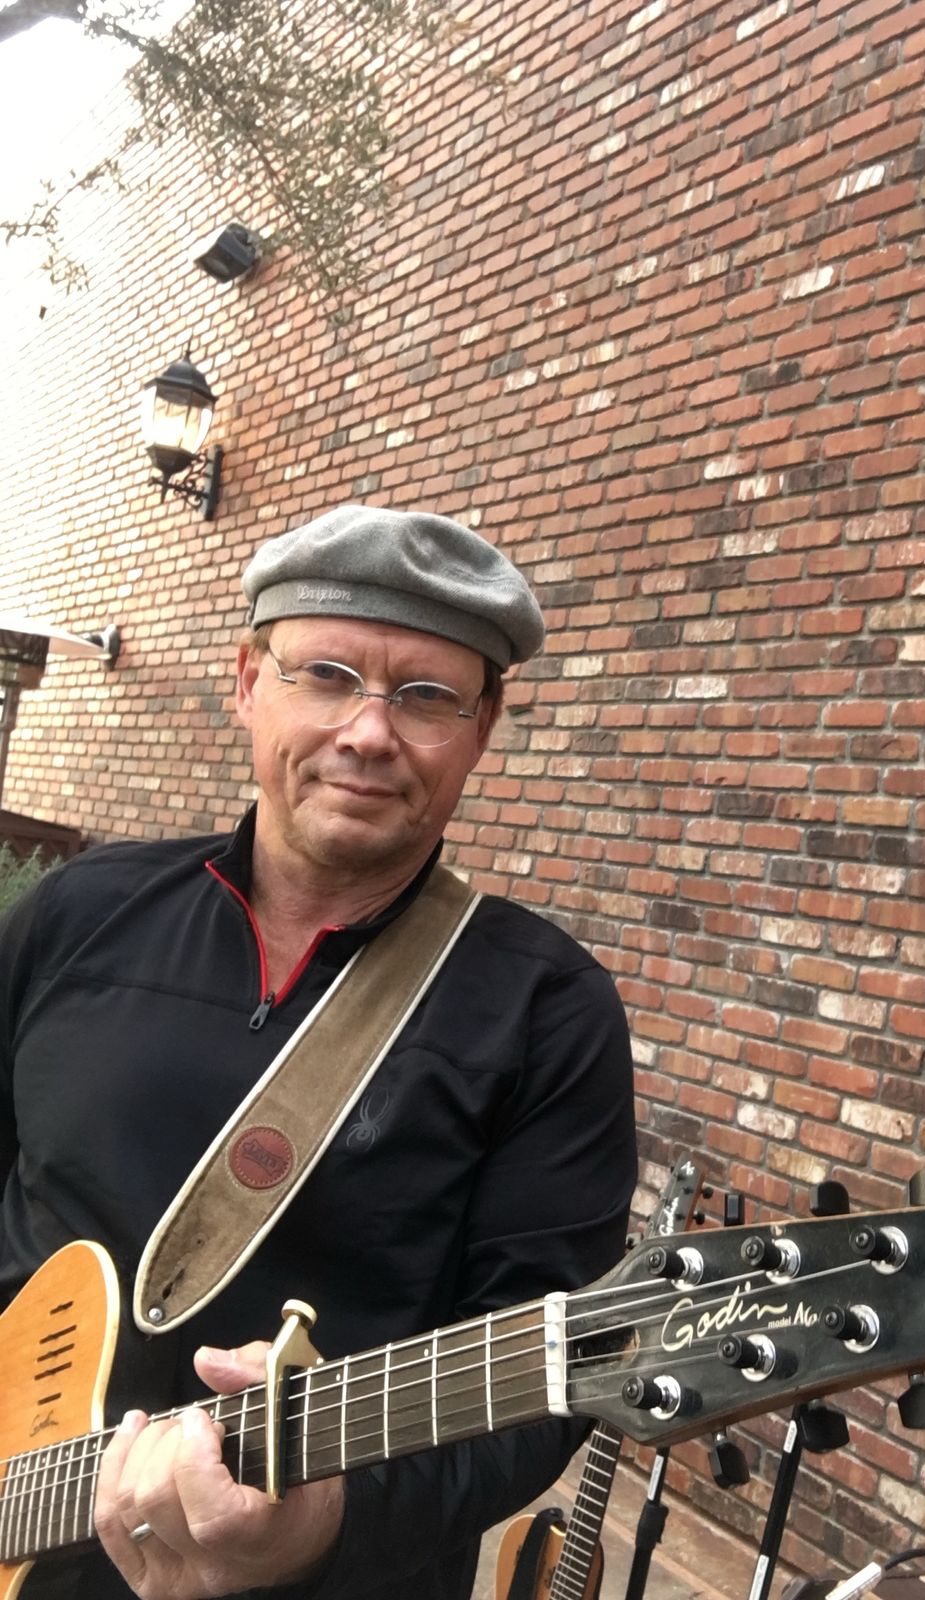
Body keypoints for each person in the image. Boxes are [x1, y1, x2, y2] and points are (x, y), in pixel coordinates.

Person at [0, 507, 637, 1600]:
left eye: (427, 696)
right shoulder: (78, 913)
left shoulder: (549, 1012)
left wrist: (319, 1525)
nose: (369, 732)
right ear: (250, 680)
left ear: (483, 727)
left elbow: (546, 1382)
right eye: (328, 675)